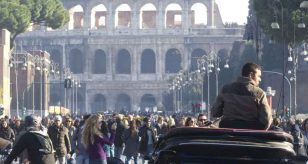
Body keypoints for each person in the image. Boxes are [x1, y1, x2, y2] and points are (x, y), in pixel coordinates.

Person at [211, 62, 273, 130]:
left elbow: (215, 112)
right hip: (251, 134)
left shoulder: (225, 89)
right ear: (251, 75)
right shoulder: (259, 93)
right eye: (258, 76)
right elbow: (266, 119)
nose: (260, 79)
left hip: (227, 131)